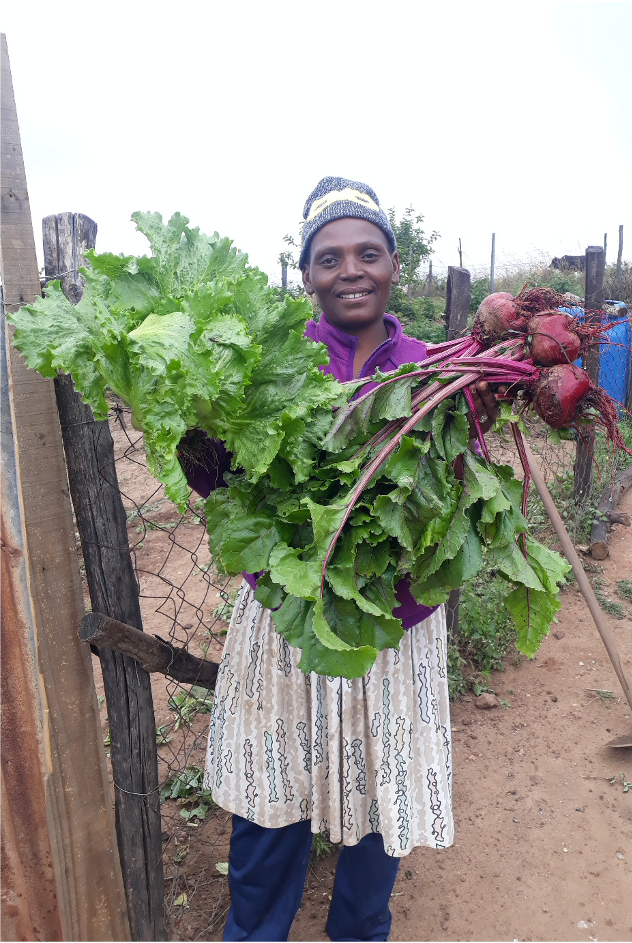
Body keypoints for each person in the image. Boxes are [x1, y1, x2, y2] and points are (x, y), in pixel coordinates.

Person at [182, 177, 499, 943]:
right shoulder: (270, 364)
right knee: (270, 797)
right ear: (307, 275)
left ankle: (360, 931)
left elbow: (467, 511)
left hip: (394, 626)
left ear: (396, 263)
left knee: (379, 800)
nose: (349, 269)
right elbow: (233, 501)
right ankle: (255, 931)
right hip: (287, 624)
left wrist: (399, 606)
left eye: (367, 251)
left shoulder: (434, 368)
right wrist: (205, 456)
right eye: (329, 257)